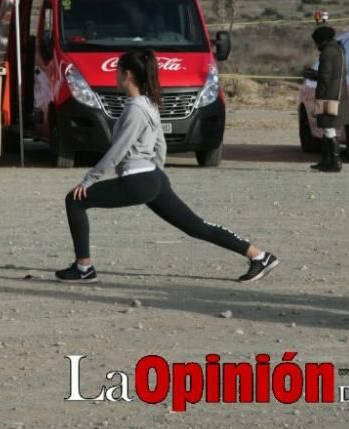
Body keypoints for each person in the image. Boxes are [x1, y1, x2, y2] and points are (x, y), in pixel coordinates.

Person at [55, 49, 279, 284]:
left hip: (139, 180)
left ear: (127, 74)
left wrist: (89, 179)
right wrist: (157, 174)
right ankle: (259, 256)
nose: (115, 75)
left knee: (75, 201)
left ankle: (83, 268)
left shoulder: (134, 109)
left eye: (117, 71)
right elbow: (160, 143)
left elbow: (117, 150)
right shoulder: (149, 104)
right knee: (196, 226)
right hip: (153, 178)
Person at [309, 26, 349, 173]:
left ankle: (334, 162)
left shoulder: (327, 52)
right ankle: (326, 161)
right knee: (328, 128)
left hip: (329, 95)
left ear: (321, 40)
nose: (315, 45)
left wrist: (313, 76)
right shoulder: (339, 49)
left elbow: (325, 77)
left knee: (328, 128)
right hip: (339, 93)